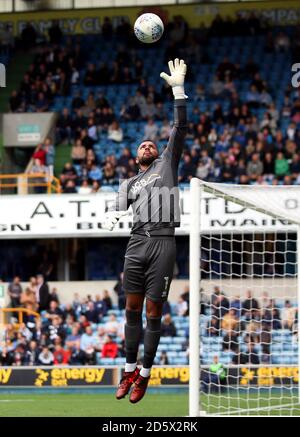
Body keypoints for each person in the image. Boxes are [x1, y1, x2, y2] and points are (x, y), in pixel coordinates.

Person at [102, 59, 187, 403]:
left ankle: (145, 375)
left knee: (154, 313)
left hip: (164, 242)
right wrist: (110, 213)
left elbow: (179, 128)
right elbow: (116, 209)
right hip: (136, 244)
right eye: (143, 146)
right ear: (136, 156)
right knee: (131, 310)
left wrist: (177, 90)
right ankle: (127, 371)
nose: (148, 146)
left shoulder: (167, 163)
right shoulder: (128, 182)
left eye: (152, 144)